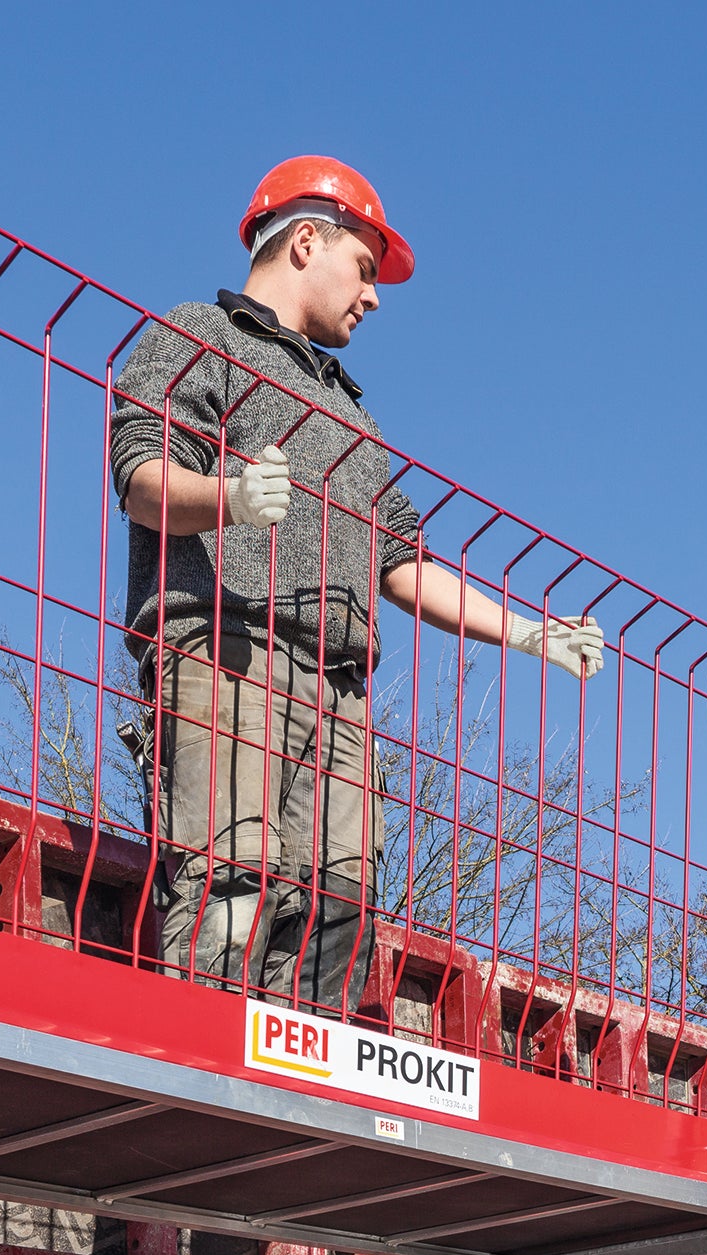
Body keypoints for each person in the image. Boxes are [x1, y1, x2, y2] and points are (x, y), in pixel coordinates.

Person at [110, 156, 604, 1014]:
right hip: (229, 654)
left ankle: (296, 1079)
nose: (373, 296)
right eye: (366, 269)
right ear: (306, 241)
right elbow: (140, 476)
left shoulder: (353, 416)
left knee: (341, 900)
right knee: (234, 877)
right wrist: (225, 496)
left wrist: (528, 632)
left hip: (339, 689)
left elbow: (400, 560)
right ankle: (206, 1051)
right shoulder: (202, 334)